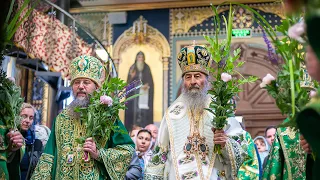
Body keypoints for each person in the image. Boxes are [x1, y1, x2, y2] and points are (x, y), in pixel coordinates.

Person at [145, 45, 259, 179]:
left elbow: (245, 151)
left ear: (206, 79)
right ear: (183, 81)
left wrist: (225, 143)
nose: (193, 81)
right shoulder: (171, 114)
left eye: (197, 76)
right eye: (188, 77)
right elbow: (160, 155)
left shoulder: (219, 108)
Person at [31, 55, 135, 179]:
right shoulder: (61, 119)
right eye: (76, 82)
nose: (80, 86)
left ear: (96, 87)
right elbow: (49, 156)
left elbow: (127, 150)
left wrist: (99, 154)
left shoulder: (108, 116)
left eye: (86, 82)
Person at [7, 103, 44, 180]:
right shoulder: (8, 138)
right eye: (24, 116)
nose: (28, 121)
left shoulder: (36, 143)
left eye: (31, 118)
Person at [125, 51, 154, 130]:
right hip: (134, 96)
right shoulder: (132, 68)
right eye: (139, 57)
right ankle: (132, 127)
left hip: (144, 95)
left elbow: (150, 82)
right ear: (136, 58)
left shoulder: (147, 67)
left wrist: (147, 85)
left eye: (142, 57)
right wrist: (132, 77)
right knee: (134, 112)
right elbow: (129, 84)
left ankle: (144, 127)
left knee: (143, 112)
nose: (140, 59)